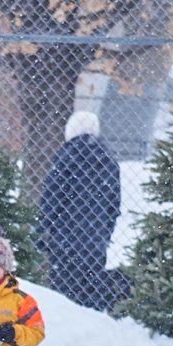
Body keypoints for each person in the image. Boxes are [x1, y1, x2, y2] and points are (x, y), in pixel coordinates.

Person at [36, 105, 126, 309]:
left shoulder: (65, 158)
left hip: (65, 238)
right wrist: (105, 231)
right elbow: (114, 205)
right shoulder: (109, 161)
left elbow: (52, 197)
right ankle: (90, 320)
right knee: (91, 286)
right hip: (95, 238)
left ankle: (66, 319)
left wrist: (43, 228)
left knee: (64, 289)